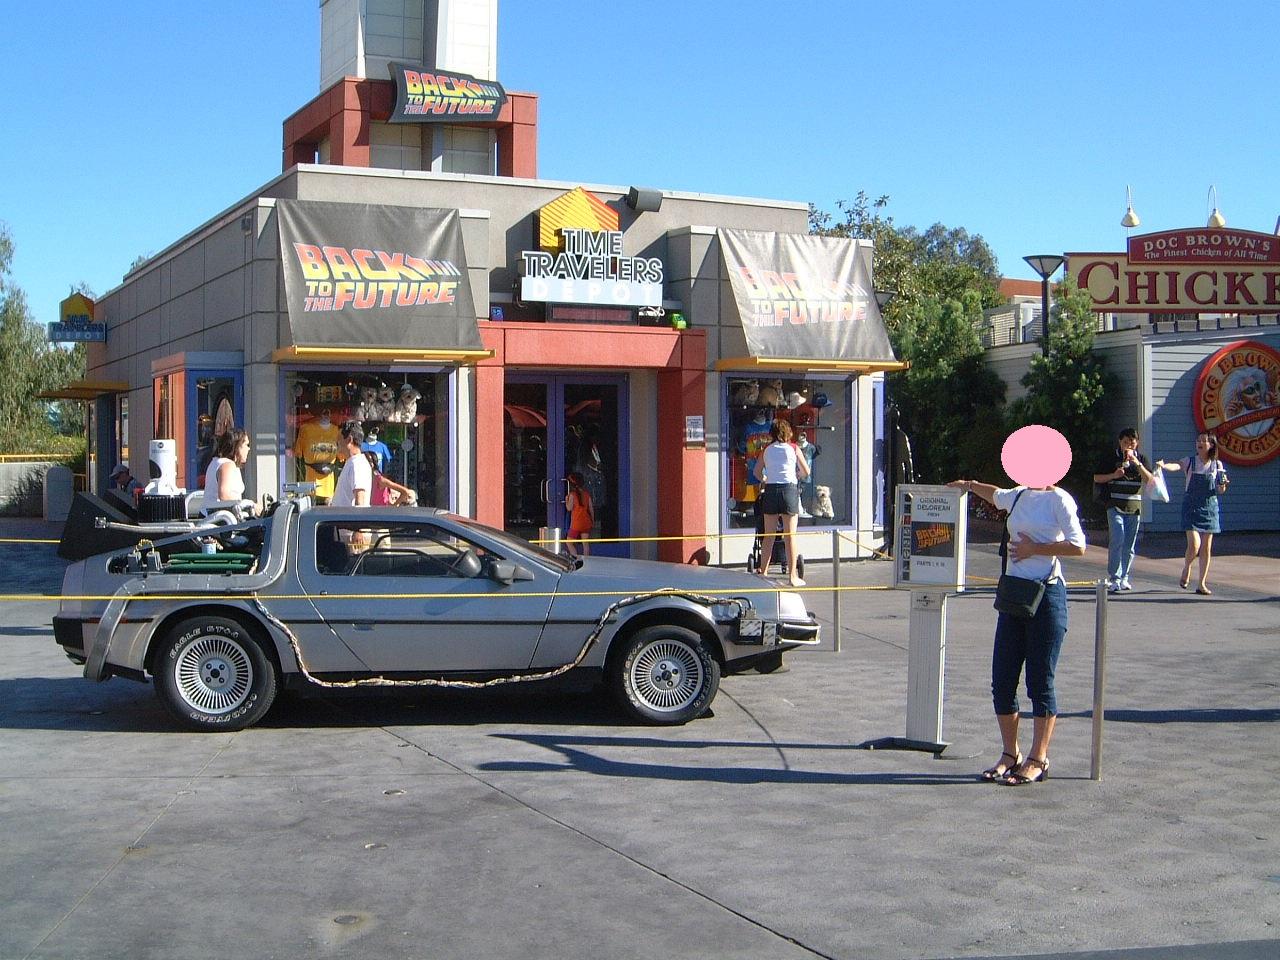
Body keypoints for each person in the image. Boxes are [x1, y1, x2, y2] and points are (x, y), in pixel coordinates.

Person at [947, 475, 1087, 786]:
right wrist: (969, 485)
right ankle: (1010, 754)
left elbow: (1078, 545)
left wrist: (1034, 548)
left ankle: (1039, 758)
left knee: (1040, 682)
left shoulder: (1059, 499)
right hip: (1014, 594)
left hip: (1046, 595)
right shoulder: (1020, 495)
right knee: (1002, 680)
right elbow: (996, 495)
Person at [1158, 431, 1229, 595]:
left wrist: (1223, 485)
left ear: (1211, 445)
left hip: (1210, 507)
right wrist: (1164, 466)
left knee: (1206, 547)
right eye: (1198, 440)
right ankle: (1187, 567)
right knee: (1194, 545)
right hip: (1191, 507)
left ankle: (1202, 583)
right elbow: (1177, 465)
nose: (1200, 443)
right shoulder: (1190, 461)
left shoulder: (1217, 465)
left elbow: (1220, 490)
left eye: (1203, 441)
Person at [1092, 427, 1159, 593]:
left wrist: (1137, 463)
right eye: (1125, 442)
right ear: (1120, 442)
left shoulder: (1141, 459)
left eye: (1132, 442)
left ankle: (1124, 577)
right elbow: (1097, 477)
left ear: (1137, 443)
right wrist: (1113, 475)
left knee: (1129, 544)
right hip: (1114, 504)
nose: (1129, 445)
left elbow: (1150, 480)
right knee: (1117, 539)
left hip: (1134, 507)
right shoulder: (1111, 457)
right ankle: (1114, 577)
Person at [756, 419, 810, 588]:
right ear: (788, 432)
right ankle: (792, 576)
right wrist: (797, 475)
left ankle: (763, 573)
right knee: (790, 535)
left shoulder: (766, 450)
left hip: (771, 490)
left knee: (768, 535)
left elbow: (757, 472)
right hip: (789, 490)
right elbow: (806, 471)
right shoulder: (794, 448)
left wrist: (765, 478)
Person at [202, 428, 252, 514]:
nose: (249, 449)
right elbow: (224, 496)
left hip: (212, 515)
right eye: (247, 445)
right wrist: (249, 505)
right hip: (220, 518)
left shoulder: (217, 462)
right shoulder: (227, 465)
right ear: (237, 446)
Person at [331, 421, 372, 508]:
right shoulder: (351, 463)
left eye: (339, 439)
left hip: (348, 517)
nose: (336, 443)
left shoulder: (358, 464)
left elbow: (360, 502)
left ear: (349, 439)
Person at [564, 471, 594, 557]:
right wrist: (592, 521)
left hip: (576, 523)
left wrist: (566, 500)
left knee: (569, 542)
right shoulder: (586, 494)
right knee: (585, 543)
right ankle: (586, 560)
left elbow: (569, 508)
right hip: (586, 522)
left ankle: (575, 557)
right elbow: (591, 509)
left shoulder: (572, 495)